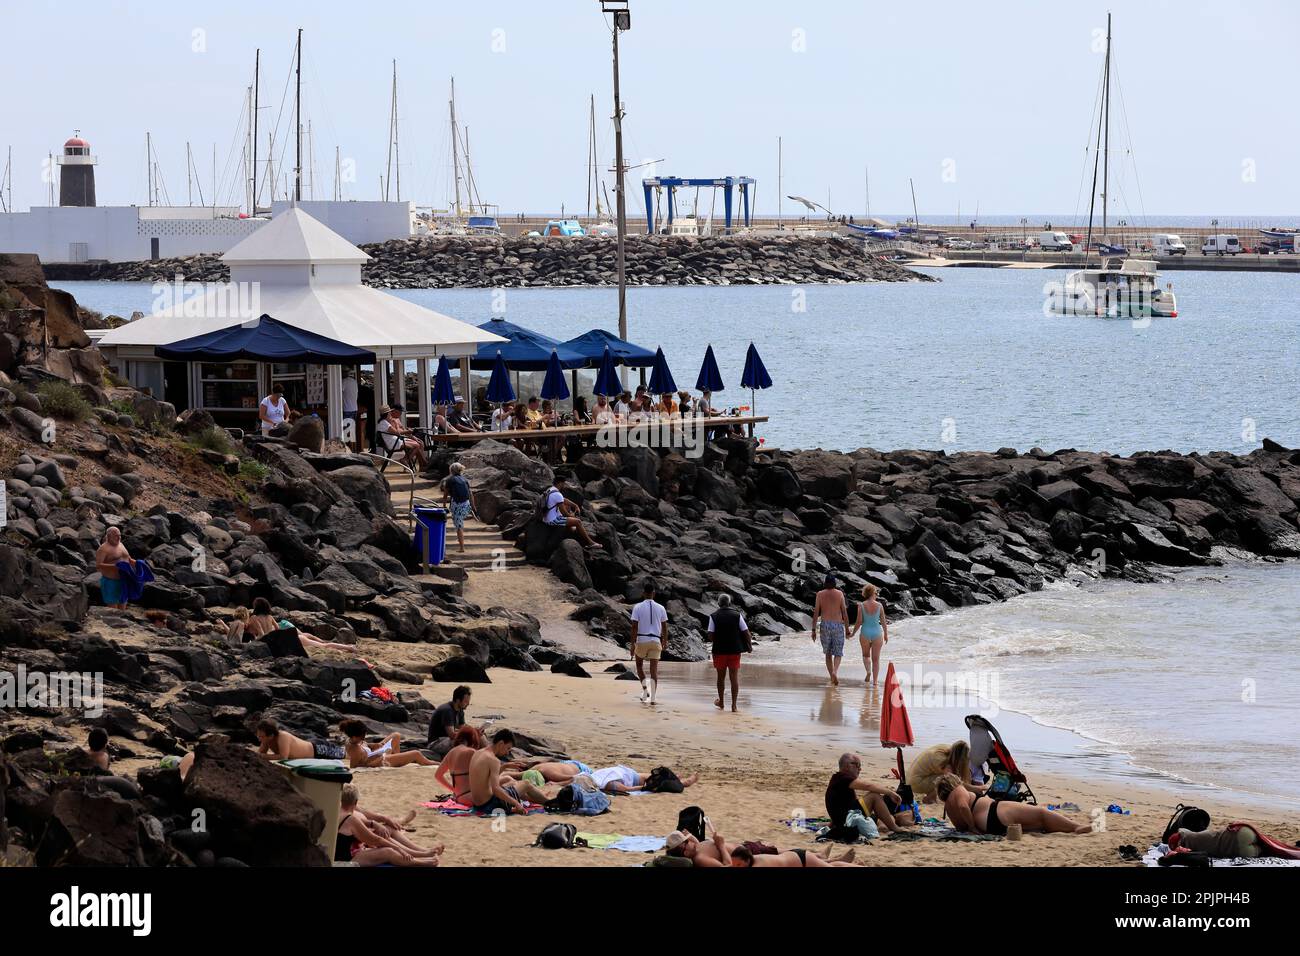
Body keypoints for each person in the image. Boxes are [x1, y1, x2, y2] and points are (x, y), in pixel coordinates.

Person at [936, 772, 1090, 835]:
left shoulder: (948, 806)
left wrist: (972, 827)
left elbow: (960, 827)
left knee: (1039, 825)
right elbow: (964, 806)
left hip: (990, 826)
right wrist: (973, 827)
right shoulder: (958, 790)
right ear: (952, 782)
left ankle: (1068, 828)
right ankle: (1076, 827)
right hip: (995, 812)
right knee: (1041, 813)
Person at [336, 785, 442, 866]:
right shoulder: (351, 819)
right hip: (346, 860)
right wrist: (399, 850)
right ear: (355, 802)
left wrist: (374, 823)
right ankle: (419, 862)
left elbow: (364, 823)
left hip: (351, 849)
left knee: (387, 830)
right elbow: (375, 840)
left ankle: (421, 852)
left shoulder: (337, 809)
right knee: (388, 851)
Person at [826, 752, 911, 835]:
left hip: (843, 820)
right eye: (858, 765)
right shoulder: (843, 778)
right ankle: (894, 827)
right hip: (847, 821)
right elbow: (868, 786)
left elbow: (838, 806)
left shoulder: (837, 779)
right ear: (848, 765)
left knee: (874, 807)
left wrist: (831, 825)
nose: (860, 769)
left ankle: (888, 823)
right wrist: (890, 793)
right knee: (875, 796)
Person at [706, 594, 750, 712]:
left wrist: (719, 640)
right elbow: (746, 632)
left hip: (719, 651)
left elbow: (710, 634)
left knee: (721, 678)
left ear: (719, 603)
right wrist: (749, 646)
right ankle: (734, 706)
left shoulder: (713, 616)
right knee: (733, 677)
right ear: (729, 603)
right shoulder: (737, 615)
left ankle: (721, 703)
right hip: (734, 650)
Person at [467, 729, 528, 814]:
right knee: (526, 784)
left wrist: (506, 766)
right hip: (490, 805)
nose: (507, 752)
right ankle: (549, 802)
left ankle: (547, 801)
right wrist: (516, 803)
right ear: (501, 743)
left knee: (510, 782)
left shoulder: (478, 753)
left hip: (478, 805)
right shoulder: (493, 760)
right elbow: (496, 789)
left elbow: (486, 780)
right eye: (508, 748)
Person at [629, 579, 668, 704]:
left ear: (643, 593)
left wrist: (632, 644)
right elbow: (665, 626)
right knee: (654, 670)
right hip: (656, 640)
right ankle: (653, 697)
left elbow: (634, 626)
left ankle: (645, 690)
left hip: (642, 639)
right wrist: (665, 641)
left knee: (639, 666)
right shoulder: (661, 608)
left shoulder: (637, 607)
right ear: (654, 593)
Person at [910, 740, 986, 803]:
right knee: (945, 779)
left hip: (917, 777)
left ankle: (931, 796)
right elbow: (955, 781)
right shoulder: (942, 760)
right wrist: (977, 788)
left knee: (946, 777)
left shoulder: (947, 752)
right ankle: (930, 798)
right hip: (916, 782)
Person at [339, 719, 435, 768]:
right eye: (362, 737)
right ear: (355, 737)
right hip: (379, 761)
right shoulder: (354, 750)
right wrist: (375, 756)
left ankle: (397, 760)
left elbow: (365, 746)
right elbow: (355, 767)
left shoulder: (353, 741)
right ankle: (435, 763)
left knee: (396, 735)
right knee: (416, 754)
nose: (363, 738)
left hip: (377, 754)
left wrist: (375, 746)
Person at [811, 574, 849, 685]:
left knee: (828, 653)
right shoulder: (840, 594)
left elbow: (816, 612)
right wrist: (847, 628)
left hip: (825, 625)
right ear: (835, 583)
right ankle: (835, 672)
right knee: (838, 652)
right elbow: (844, 612)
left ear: (825, 583)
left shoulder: (820, 594)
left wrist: (813, 630)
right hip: (837, 624)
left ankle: (831, 675)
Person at [849, 583, 889, 686]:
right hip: (876, 633)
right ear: (872, 593)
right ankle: (875, 682)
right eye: (876, 593)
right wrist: (886, 634)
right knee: (876, 660)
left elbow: (859, 622)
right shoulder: (879, 605)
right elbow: (884, 622)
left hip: (865, 633)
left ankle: (868, 671)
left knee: (866, 655)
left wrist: (853, 633)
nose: (876, 595)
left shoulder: (861, 605)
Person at [433, 725, 485, 803]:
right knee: (506, 781)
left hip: (458, 797)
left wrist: (453, 789)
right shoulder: (471, 752)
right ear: (473, 738)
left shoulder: (451, 752)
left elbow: (437, 775)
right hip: (471, 797)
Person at [542, 483, 602, 549]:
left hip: (552, 517)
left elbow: (565, 500)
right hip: (552, 520)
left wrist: (575, 506)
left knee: (568, 508)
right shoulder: (554, 496)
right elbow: (565, 513)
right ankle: (591, 543)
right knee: (578, 522)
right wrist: (572, 516)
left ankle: (574, 529)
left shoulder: (549, 495)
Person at [254, 717, 345, 761]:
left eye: (261, 736)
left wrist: (264, 756)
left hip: (317, 749)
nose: (259, 739)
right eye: (258, 736)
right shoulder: (266, 740)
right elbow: (260, 754)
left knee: (343, 754)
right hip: (310, 745)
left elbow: (283, 757)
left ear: (271, 735)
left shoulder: (283, 737)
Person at [94, 527, 135, 610]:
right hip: (111, 582)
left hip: (124, 580)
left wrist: (137, 563)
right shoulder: (103, 549)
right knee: (113, 611)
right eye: (115, 536)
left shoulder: (121, 544)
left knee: (122, 608)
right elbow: (98, 565)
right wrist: (115, 566)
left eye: (119, 535)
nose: (118, 537)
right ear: (108, 536)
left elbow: (128, 558)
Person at [377, 404, 427, 470]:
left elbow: (399, 430)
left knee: (418, 444)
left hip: (395, 441)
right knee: (417, 445)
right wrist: (408, 432)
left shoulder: (383, 422)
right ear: (387, 413)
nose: (390, 413)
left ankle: (423, 464)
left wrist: (407, 432)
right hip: (394, 443)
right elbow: (397, 432)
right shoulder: (385, 423)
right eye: (389, 412)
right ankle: (405, 459)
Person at [591, 764, 698, 794]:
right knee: (658, 780)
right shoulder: (608, 784)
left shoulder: (593, 778)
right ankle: (684, 782)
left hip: (628, 774)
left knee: (658, 777)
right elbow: (627, 789)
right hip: (632, 778)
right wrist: (645, 788)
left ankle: (679, 780)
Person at [442, 462, 476, 553]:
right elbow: (471, 493)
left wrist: (444, 507)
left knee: (459, 526)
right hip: (466, 504)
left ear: (451, 470)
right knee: (459, 520)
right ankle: (468, 512)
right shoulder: (464, 479)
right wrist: (473, 506)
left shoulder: (449, 480)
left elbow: (445, 495)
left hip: (457, 505)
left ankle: (462, 548)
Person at [428, 685, 472, 751]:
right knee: (463, 741)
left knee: (479, 736)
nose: (468, 703)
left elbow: (462, 727)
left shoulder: (460, 710)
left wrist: (475, 731)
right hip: (435, 743)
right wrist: (470, 733)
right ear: (458, 700)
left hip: (446, 739)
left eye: (468, 701)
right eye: (466, 701)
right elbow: (452, 735)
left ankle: (489, 756)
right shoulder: (447, 710)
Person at [730, 845, 858, 867]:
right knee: (828, 865)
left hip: (802, 860)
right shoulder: (750, 861)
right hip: (794, 857)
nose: (736, 867)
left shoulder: (760, 865)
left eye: (738, 865)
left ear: (747, 860)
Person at [341, 369, 360, 449]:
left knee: (346, 432)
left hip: (347, 409)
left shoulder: (344, 382)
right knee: (351, 431)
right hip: (354, 408)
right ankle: (353, 449)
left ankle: (348, 450)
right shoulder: (354, 381)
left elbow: (338, 393)